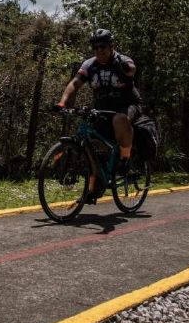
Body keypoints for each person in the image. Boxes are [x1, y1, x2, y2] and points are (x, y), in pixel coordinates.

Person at [55, 28, 141, 201]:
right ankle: (94, 188)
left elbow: (131, 69)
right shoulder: (89, 65)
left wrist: (125, 67)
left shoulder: (121, 60)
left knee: (119, 119)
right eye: (95, 47)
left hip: (127, 105)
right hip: (102, 110)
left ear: (111, 46)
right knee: (91, 147)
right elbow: (74, 84)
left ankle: (125, 159)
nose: (99, 50)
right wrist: (62, 103)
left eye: (103, 46)